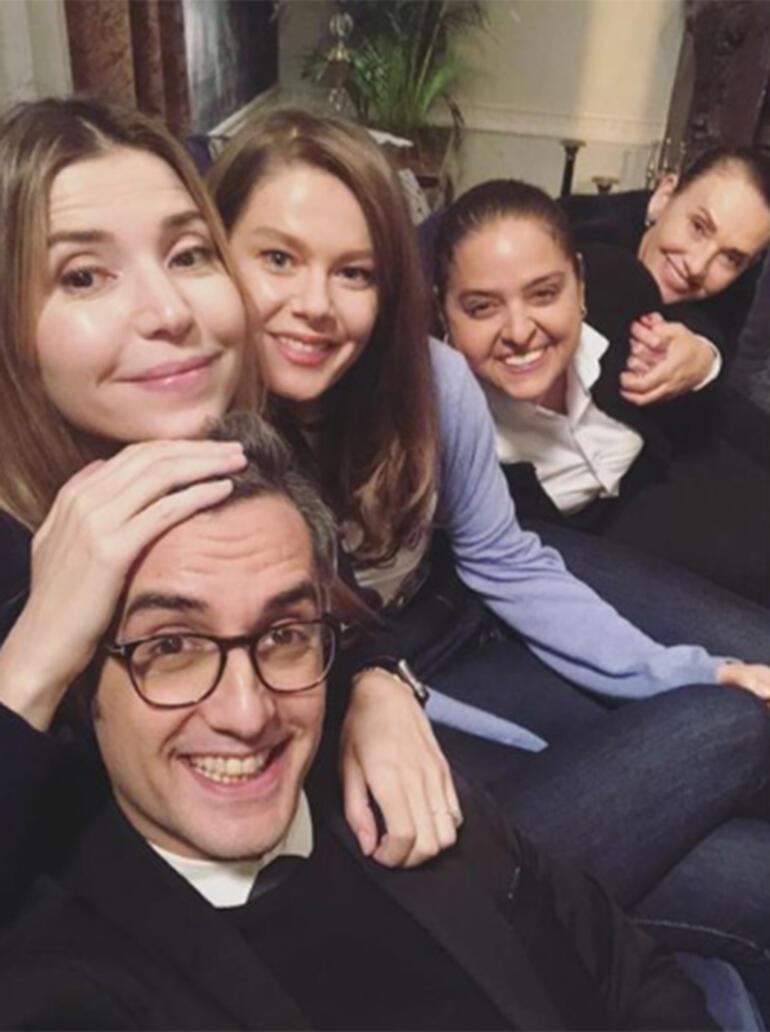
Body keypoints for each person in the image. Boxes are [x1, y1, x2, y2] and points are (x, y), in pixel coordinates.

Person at [0, 98, 769, 1009]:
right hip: (384, 849)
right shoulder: (103, 505)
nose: (166, 310)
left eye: (185, 255)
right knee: (737, 772)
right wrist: (32, 664)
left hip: (431, 711)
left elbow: (464, 567)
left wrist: (375, 677)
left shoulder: (256, 430)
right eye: (83, 275)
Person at [0, 413, 717, 1031]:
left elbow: (631, 974)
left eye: (285, 634)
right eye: (172, 648)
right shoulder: (68, 969)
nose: (247, 713)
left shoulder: (395, 785)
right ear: (83, 681)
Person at [434, 177, 770, 604]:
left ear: (580, 286)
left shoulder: (616, 283)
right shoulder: (446, 435)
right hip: (599, 555)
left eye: (544, 294)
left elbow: (688, 327)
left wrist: (702, 356)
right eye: (482, 307)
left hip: (679, 466)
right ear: (443, 312)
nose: (518, 332)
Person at [561, 146, 770, 408]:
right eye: (698, 227)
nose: (697, 266)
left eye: (730, 258)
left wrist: (705, 361)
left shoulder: (741, 271)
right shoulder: (571, 230)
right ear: (664, 197)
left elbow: (724, 338)